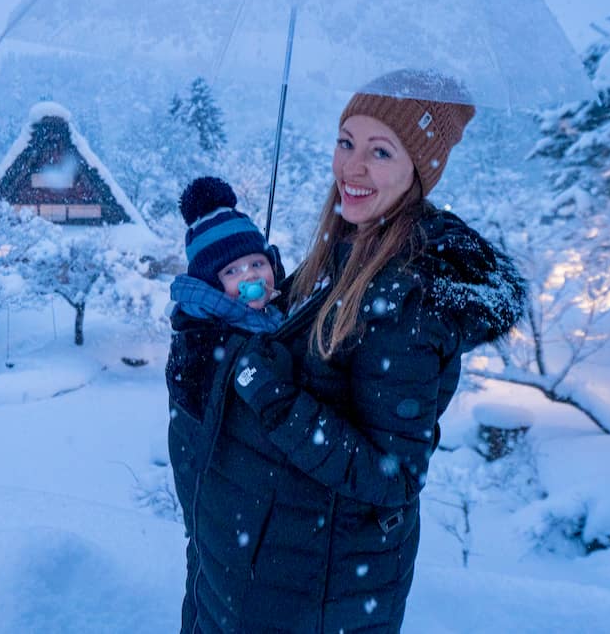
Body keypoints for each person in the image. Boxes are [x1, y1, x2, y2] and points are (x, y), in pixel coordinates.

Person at [180, 70, 527, 633]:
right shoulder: (343, 253)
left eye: (380, 151)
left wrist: (269, 392)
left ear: (420, 170)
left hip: (313, 598)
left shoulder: (410, 300)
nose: (352, 167)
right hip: (258, 578)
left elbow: (391, 478)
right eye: (346, 142)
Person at [164, 176, 285, 632]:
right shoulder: (207, 337)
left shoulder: (259, 317)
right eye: (233, 272)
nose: (251, 277)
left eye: (258, 262)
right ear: (211, 284)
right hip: (220, 503)